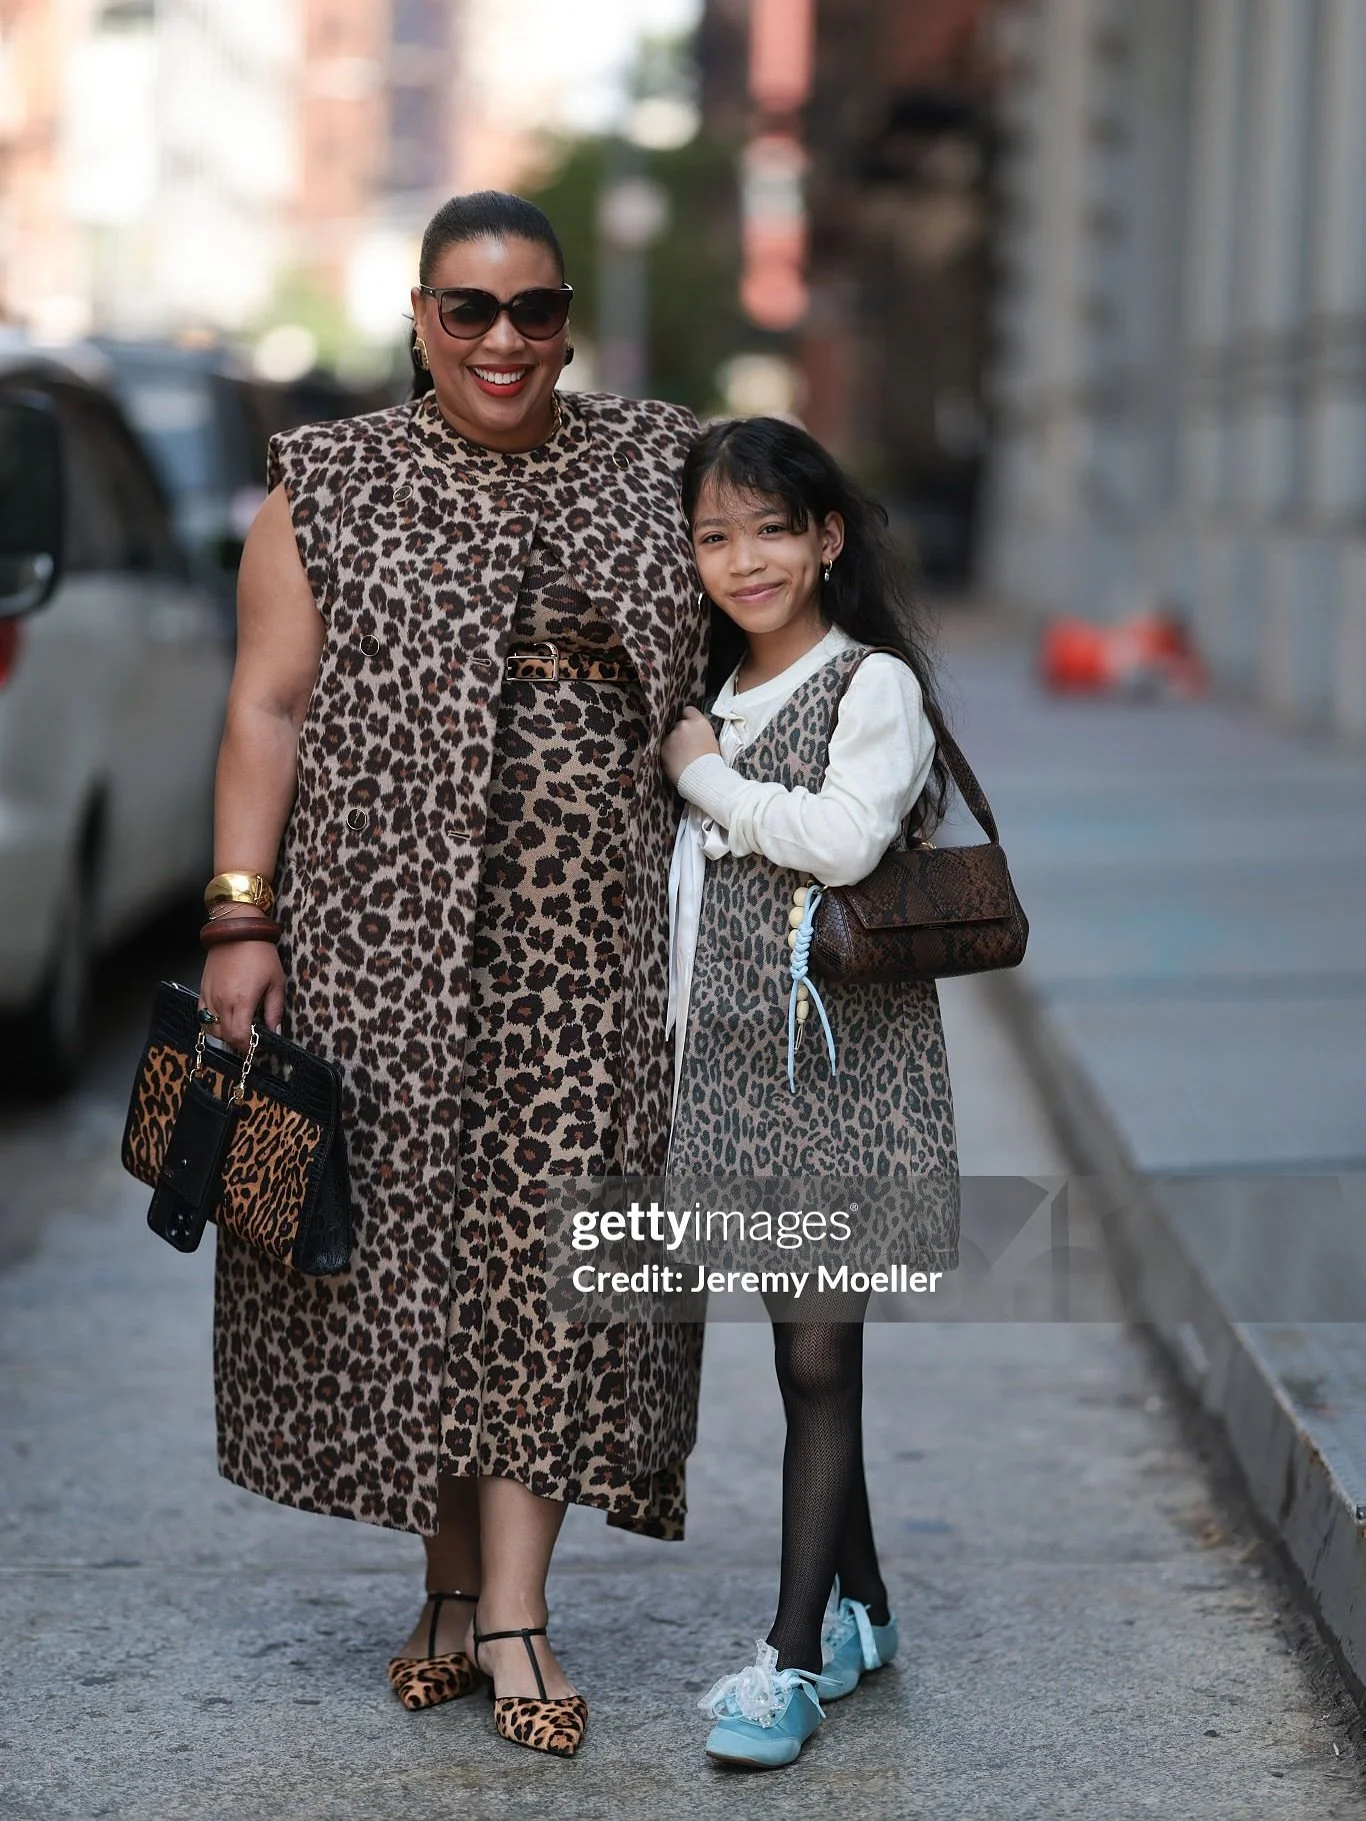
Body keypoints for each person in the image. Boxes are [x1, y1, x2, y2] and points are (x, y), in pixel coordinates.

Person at [198, 191, 707, 1759]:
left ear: (568, 323)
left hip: (589, 950)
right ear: (419, 318)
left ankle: (514, 1614)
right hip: (378, 942)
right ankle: (443, 1584)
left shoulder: (659, 463)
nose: (503, 340)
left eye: (533, 310)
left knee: (552, 1265)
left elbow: (771, 606)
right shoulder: (329, 480)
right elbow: (267, 709)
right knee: (409, 1263)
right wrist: (240, 921)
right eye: (469, 310)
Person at [660, 416, 960, 1769]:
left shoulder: (868, 684)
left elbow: (841, 843)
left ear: (827, 538)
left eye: (771, 530)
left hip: (846, 1077)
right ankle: (865, 1611)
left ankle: (788, 1660)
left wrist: (701, 778)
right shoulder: (712, 687)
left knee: (817, 1355)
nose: (745, 561)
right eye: (715, 537)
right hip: (737, 1073)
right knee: (798, 1353)